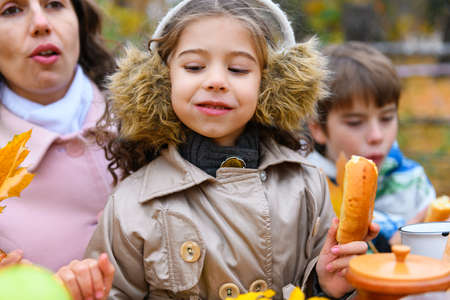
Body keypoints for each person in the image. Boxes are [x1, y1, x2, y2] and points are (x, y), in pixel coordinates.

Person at [57, 1, 379, 299]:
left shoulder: (306, 185)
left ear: (269, 86)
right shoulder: (133, 204)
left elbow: (323, 283)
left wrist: (328, 285)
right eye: (194, 67)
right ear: (161, 81)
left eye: (238, 70)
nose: (216, 81)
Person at [0, 0, 116, 271]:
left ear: (79, 19)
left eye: (54, 4)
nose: (41, 24)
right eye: (11, 10)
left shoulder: (164, 122)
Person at [307, 42, 436, 252]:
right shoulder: (306, 190)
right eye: (355, 122)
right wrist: (389, 248)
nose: (376, 136)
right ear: (318, 129)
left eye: (386, 118)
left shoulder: (414, 182)